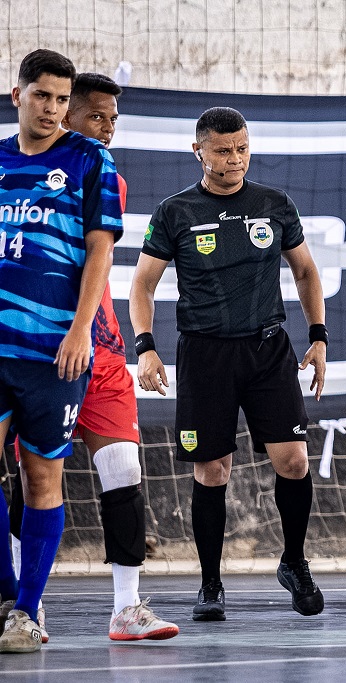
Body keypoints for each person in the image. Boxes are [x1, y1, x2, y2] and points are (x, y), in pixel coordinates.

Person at [130, 106, 328, 622]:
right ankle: (211, 584)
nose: (235, 158)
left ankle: (294, 562)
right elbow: (142, 285)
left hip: (268, 349)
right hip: (205, 355)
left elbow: (306, 272)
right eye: (223, 150)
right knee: (213, 470)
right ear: (199, 151)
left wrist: (318, 336)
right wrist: (145, 345)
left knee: (294, 462)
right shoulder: (175, 211)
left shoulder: (274, 204)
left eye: (241, 148)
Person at [6, 72, 179, 642]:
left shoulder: (101, 172)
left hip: (96, 352)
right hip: (32, 349)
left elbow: (98, 251)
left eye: (112, 119)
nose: (106, 129)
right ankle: (19, 601)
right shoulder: (49, 165)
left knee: (123, 469)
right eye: (95, 117)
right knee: (27, 475)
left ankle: (126, 608)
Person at [0, 49, 122, 653]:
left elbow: (100, 250)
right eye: (41, 95)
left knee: (41, 476)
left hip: (55, 351)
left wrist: (80, 332)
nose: (51, 108)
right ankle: (6, 595)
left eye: (60, 99)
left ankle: (25, 611)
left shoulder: (88, 159)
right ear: (17, 93)